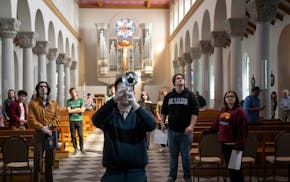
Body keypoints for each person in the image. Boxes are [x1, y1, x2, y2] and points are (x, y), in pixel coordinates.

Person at [92, 77, 156, 182]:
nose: (125, 93)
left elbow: (151, 125)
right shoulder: (109, 114)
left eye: (129, 90)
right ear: (116, 93)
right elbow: (96, 120)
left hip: (136, 171)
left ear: (134, 93)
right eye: (122, 90)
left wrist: (135, 104)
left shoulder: (140, 113)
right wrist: (114, 100)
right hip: (113, 171)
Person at [160, 73, 199, 182]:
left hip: (186, 132)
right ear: (174, 82)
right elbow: (163, 111)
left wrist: (191, 126)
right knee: (173, 156)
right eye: (178, 78)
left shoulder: (190, 95)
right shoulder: (169, 96)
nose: (180, 80)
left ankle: (187, 177)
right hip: (172, 131)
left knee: (186, 156)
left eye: (182, 78)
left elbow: (195, 113)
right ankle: (172, 176)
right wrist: (162, 123)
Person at [202, 90, 248, 182]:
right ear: (225, 99)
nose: (230, 98)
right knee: (231, 169)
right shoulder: (224, 109)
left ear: (236, 99)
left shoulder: (239, 111)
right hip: (225, 145)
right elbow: (217, 124)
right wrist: (207, 131)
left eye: (232, 96)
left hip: (235, 146)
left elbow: (242, 130)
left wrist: (239, 145)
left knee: (236, 169)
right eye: (227, 96)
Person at [28, 81, 60, 182]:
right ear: (38, 89)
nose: (43, 88)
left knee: (50, 162)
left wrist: (49, 126)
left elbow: (57, 118)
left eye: (45, 86)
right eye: (41, 86)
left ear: (48, 89)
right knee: (38, 161)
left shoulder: (54, 103)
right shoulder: (33, 103)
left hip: (50, 135)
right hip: (38, 135)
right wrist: (42, 128)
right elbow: (31, 119)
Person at [66, 87, 86, 154]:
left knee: (80, 135)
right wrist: (78, 109)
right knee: (73, 136)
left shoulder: (81, 100)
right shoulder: (69, 101)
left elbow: (82, 110)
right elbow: (69, 111)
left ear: (76, 92)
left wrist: (73, 110)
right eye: (71, 93)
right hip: (72, 120)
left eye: (74, 92)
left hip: (79, 120)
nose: (73, 94)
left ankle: (82, 148)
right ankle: (75, 148)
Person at [155, 88, 168, 152]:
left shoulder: (170, 101)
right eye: (163, 94)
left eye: (165, 93)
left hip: (169, 120)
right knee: (161, 133)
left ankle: (169, 146)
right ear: (162, 95)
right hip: (162, 120)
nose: (164, 94)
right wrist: (159, 117)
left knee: (169, 133)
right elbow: (157, 111)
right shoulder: (159, 103)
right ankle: (163, 147)